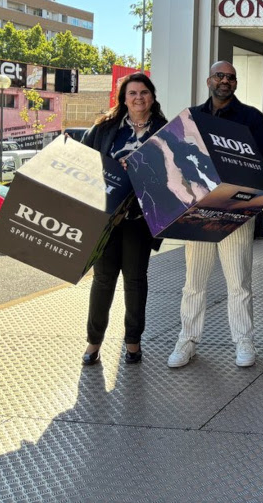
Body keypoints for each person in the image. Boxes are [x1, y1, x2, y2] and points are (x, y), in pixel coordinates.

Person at [167, 61, 263, 369]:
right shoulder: (191, 117)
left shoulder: (251, 118)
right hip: (199, 209)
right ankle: (187, 340)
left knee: (239, 282)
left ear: (235, 83)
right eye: (219, 76)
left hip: (235, 208)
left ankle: (243, 340)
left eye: (230, 77)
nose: (225, 81)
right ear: (209, 80)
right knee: (193, 282)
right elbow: (176, 160)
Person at [81, 73, 167, 366]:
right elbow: (84, 161)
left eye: (144, 92)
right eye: (132, 93)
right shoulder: (105, 128)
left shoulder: (165, 131)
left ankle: (133, 342)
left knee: (135, 281)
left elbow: (174, 174)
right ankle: (93, 342)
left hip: (141, 219)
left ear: (152, 97)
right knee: (103, 281)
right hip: (107, 218)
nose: (138, 97)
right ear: (124, 98)